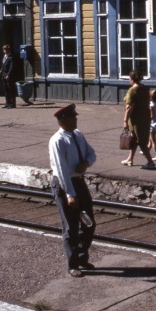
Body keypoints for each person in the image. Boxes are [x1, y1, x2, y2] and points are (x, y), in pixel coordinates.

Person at [48, 104, 97, 278]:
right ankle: (73, 264)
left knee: (89, 223)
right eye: (72, 117)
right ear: (63, 121)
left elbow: (92, 154)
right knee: (71, 227)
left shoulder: (78, 135)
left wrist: (86, 163)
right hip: (64, 184)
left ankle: (83, 257)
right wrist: (70, 194)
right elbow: (61, 170)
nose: (76, 119)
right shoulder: (57, 140)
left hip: (78, 181)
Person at [121, 71, 155, 169]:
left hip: (136, 119)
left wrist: (125, 120)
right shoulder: (145, 89)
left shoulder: (132, 91)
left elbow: (130, 107)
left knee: (141, 141)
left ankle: (150, 162)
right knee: (134, 139)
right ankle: (129, 159)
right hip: (145, 117)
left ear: (132, 79)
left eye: (129, 78)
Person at [0, 44, 16, 109]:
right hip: (3, 74)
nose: (5, 51)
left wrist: (8, 75)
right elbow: (3, 66)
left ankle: (13, 104)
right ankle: (7, 103)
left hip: (9, 76)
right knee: (6, 90)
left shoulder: (11, 57)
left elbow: (12, 67)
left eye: (6, 49)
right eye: (4, 49)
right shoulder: (4, 57)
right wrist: (0, 70)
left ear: (9, 50)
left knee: (11, 90)